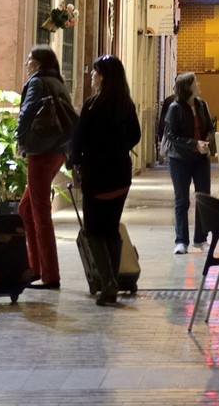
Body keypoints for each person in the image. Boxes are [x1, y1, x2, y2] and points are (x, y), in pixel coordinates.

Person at [68, 55, 141, 305]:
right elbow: (136, 135)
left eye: (95, 73)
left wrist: (78, 164)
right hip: (120, 175)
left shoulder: (92, 105)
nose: (92, 76)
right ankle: (113, 281)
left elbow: (78, 140)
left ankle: (108, 283)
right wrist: (118, 149)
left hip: (97, 176)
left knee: (93, 230)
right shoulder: (126, 105)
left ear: (104, 77)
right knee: (111, 228)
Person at [16, 43, 76, 290]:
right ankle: (35, 267)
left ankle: (50, 275)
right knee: (26, 209)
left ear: (38, 63)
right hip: (58, 150)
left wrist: (19, 141)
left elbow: (27, 112)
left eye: (29, 59)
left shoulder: (37, 82)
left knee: (40, 213)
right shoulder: (59, 83)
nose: (27, 63)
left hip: (41, 151)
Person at [163, 71, 216, 253]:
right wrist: (194, 144)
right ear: (187, 87)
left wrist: (207, 142)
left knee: (203, 198)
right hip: (180, 159)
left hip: (201, 158)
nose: (199, 84)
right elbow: (171, 135)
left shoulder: (202, 105)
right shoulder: (175, 108)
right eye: (196, 82)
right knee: (182, 200)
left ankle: (201, 239)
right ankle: (181, 241)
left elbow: (210, 127)